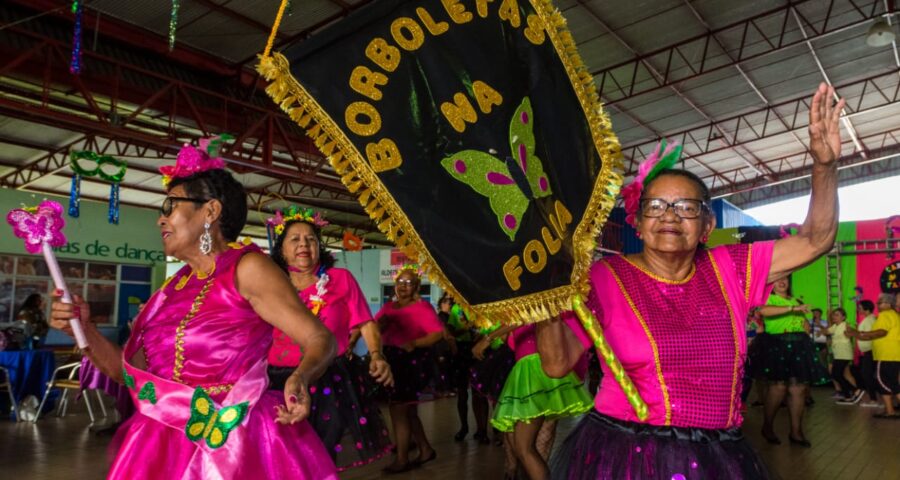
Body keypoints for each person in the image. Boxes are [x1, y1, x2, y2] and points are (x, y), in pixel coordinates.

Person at [538, 84, 843, 479]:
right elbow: (557, 363)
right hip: (623, 453)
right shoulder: (603, 277)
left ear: (707, 224)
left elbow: (816, 239)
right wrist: (543, 289)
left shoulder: (730, 267)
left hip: (717, 454)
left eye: (686, 207)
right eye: (655, 207)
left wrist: (825, 166)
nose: (669, 216)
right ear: (638, 222)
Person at [49, 140, 338, 479]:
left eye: (170, 206)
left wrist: (301, 376)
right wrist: (85, 330)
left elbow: (319, 337)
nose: (161, 219)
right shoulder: (171, 290)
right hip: (161, 443)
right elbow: (130, 375)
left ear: (210, 211)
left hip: (238, 439)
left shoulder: (246, 269)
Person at [265, 207, 393, 470]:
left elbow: (366, 323)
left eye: (311, 238)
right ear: (281, 250)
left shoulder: (340, 279)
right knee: (281, 456)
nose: (304, 244)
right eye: (295, 239)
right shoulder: (271, 285)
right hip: (276, 380)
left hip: (328, 380)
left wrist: (377, 355)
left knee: (320, 454)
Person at [490, 323, 592, 480]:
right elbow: (511, 339)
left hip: (534, 371)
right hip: (533, 370)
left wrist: (488, 337)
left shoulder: (533, 305)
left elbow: (523, 318)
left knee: (524, 447)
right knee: (526, 445)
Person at [375, 266, 444, 473]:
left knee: (399, 410)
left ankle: (402, 459)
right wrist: (382, 325)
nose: (403, 286)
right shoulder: (389, 306)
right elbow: (374, 328)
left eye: (408, 283)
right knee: (408, 411)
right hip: (391, 359)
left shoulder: (422, 307)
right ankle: (425, 449)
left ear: (416, 286)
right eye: (400, 282)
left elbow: (437, 334)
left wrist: (414, 343)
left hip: (409, 361)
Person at [756, 277, 829, 446]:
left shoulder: (796, 300)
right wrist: (793, 308)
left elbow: (802, 321)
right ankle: (767, 426)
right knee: (779, 387)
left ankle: (796, 432)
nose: (782, 282)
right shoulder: (768, 298)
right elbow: (764, 311)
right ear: (771, 284)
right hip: (777, 345)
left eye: (785, 279)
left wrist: (804, 325)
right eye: (778, 279)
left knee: (798, 389)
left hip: (798, 345)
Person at [845, 293, 900, 418]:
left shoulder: (885, 315)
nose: (877, 305)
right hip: (893, 354)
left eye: (880, 302)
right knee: (888, 383)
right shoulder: (895, 315)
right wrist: (857, 334)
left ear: (888, 304)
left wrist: (858, 334)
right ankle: (889, 411)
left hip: (887, 354)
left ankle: (890, 411)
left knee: (888, 384)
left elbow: (881, 332)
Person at [826, 308, 863, 404]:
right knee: (839, 375)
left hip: (844, 354)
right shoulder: (835, 326)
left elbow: (851, 333)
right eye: (834, 315)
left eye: (837, 315)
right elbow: (827, 331)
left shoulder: (845, 325)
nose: (834, 316)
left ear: (843, 317)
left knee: (837, 374)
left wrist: (849, 333)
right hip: (838, 354)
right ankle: (849, 394)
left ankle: (855, 390)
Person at [855, 300, 881, 407]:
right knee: (868, 375)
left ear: (867, 309)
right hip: (869, 352)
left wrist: (855, 333)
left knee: (867, 375)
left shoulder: (870, 320)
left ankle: (874, 400)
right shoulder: (868, 319)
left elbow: (869, 336)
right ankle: (876, 398)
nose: (858, 310)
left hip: (870, 351)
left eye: (860, 308)